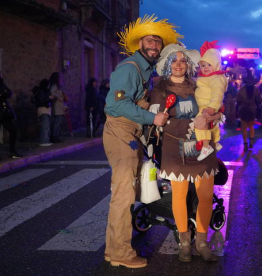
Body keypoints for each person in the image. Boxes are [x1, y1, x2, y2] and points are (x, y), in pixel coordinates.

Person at [102, 15, 179, 268]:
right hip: (120, 131)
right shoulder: (129, 68)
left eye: (157, 41)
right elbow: (115, 104)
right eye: (149, 40)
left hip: (130, 134)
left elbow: (133, 102)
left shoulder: (144, 70)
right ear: (140, 43)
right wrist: (151, 117)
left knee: (127, 191)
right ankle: (121, 254)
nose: (154, 45)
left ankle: (113, 250)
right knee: (123, 194)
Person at [150, 43, 220, 263]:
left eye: (182, 61)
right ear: (168, 65)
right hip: (174, 146)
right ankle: (185, 242)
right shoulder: (160, 89)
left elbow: (217, 110)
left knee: (206, 196)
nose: (179, 64)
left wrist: (211, 117)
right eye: (175, 61)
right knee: (179, 196)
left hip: (201, 146)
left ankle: (202, 241)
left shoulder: (198, 85)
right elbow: (155, 119)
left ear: (188, 65)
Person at [194, 40, 228, 161]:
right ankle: (216, 142)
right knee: (211, 126)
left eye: (209, 65)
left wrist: (213, 107)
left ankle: (206, 146)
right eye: (203, 65)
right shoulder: (209, 78)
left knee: (199, 125)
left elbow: (217, 94)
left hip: (207, 106)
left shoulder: (216, 79)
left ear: (216, 64)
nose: (206, 68)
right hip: (206, 105)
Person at [236, 69, 262, 151]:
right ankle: (251, 141)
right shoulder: (255, 90)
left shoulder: (242, 89)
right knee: (251, 126)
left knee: (244, 127)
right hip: (252, 109)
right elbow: (259, 100)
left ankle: (245, 143)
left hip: (243, 109)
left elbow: (238, 100)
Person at [35, 79, 54, 146]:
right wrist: (49, 98)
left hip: (46, 110)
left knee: (47, 126)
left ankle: (46, 140)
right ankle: (44, 141)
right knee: (45, 126)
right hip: (43, 110)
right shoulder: (42, 91)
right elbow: (42, 100)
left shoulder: (43, 91)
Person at [49, 72, 65, 143]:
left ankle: (56, 136)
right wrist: (59, 97)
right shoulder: (55, 86)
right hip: (57, 106)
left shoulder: (58, 86)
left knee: (58, 122)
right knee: (57, 122)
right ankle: (54, 136)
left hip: (59, 106)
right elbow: (52, 92)